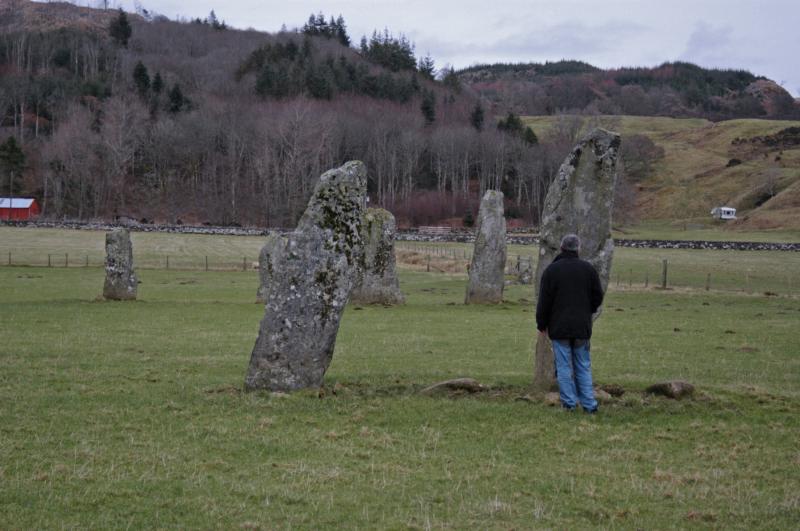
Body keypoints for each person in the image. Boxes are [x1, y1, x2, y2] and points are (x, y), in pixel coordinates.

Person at [536, 234, 604, 413]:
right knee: (583, 365)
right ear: (578, 248)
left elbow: (544, 301)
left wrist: (541, 324)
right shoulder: (588, 269)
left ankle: (569, 403)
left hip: (559, 327)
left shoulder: (552, 271)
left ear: (561, 247)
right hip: (582, 326)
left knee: (564, 366)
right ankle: (589, 405)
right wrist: (587, 310)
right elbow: (598, 296)